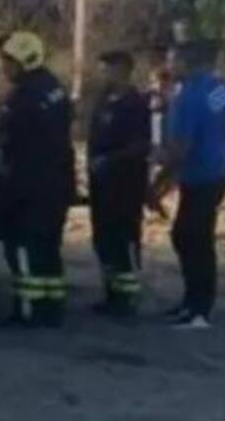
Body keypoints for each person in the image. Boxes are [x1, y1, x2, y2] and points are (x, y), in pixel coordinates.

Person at [149, 40, 225, 329]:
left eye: (172, 60)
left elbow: (181, 149)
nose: (168, 66)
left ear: (185, 62)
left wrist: (159, 179)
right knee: (189, 236)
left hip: (202, 175)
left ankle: (199, 309)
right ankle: (192, 302)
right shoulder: (218, 87)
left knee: (193, 238)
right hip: (215, 171)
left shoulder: (188, 97)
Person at [0, 31, 75, 328]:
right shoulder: (55, 88)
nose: (5, 67)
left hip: (28, 184)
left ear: (23, 61)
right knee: (48, 248)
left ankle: (28, 309)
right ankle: (52, 307)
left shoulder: (22, 97)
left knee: (24, 248)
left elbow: (3, 137)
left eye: (9, 61)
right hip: (58, 182)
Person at [87, 50, 151, 318]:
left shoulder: (135, 104)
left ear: (122, 69)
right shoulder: (103, 100)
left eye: (107, 69)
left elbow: (140, 145)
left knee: (124, 239)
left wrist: (111, 160)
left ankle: (128, 298)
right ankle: (111, 293)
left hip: (125, 184)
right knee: (104, 239)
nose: (102, 74)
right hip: (101, 184)